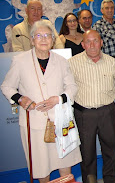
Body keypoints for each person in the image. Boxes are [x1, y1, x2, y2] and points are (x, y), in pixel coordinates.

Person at [1, 20, 81, 183]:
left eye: (47, 36)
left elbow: (72, 87)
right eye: (39, 35)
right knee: (40, 166)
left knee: (65, 164)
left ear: (53, 40)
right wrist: (21, 99)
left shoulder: (61, 61)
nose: (44, 39)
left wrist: (58, 99)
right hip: (35, 122)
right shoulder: (20, 60)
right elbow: (7, 87)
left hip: (61, 120)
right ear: (32, 40)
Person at [69, 30, 115, 183]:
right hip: (84, 114)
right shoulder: (72, 63)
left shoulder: (112, 62)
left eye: (95, 41)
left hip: (107, 111)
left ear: (101, 42)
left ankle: (110, 179)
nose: (92, 45)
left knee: (110, 149)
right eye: (88, 42)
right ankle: (90, 180)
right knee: (87, 152)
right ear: (83, 44)